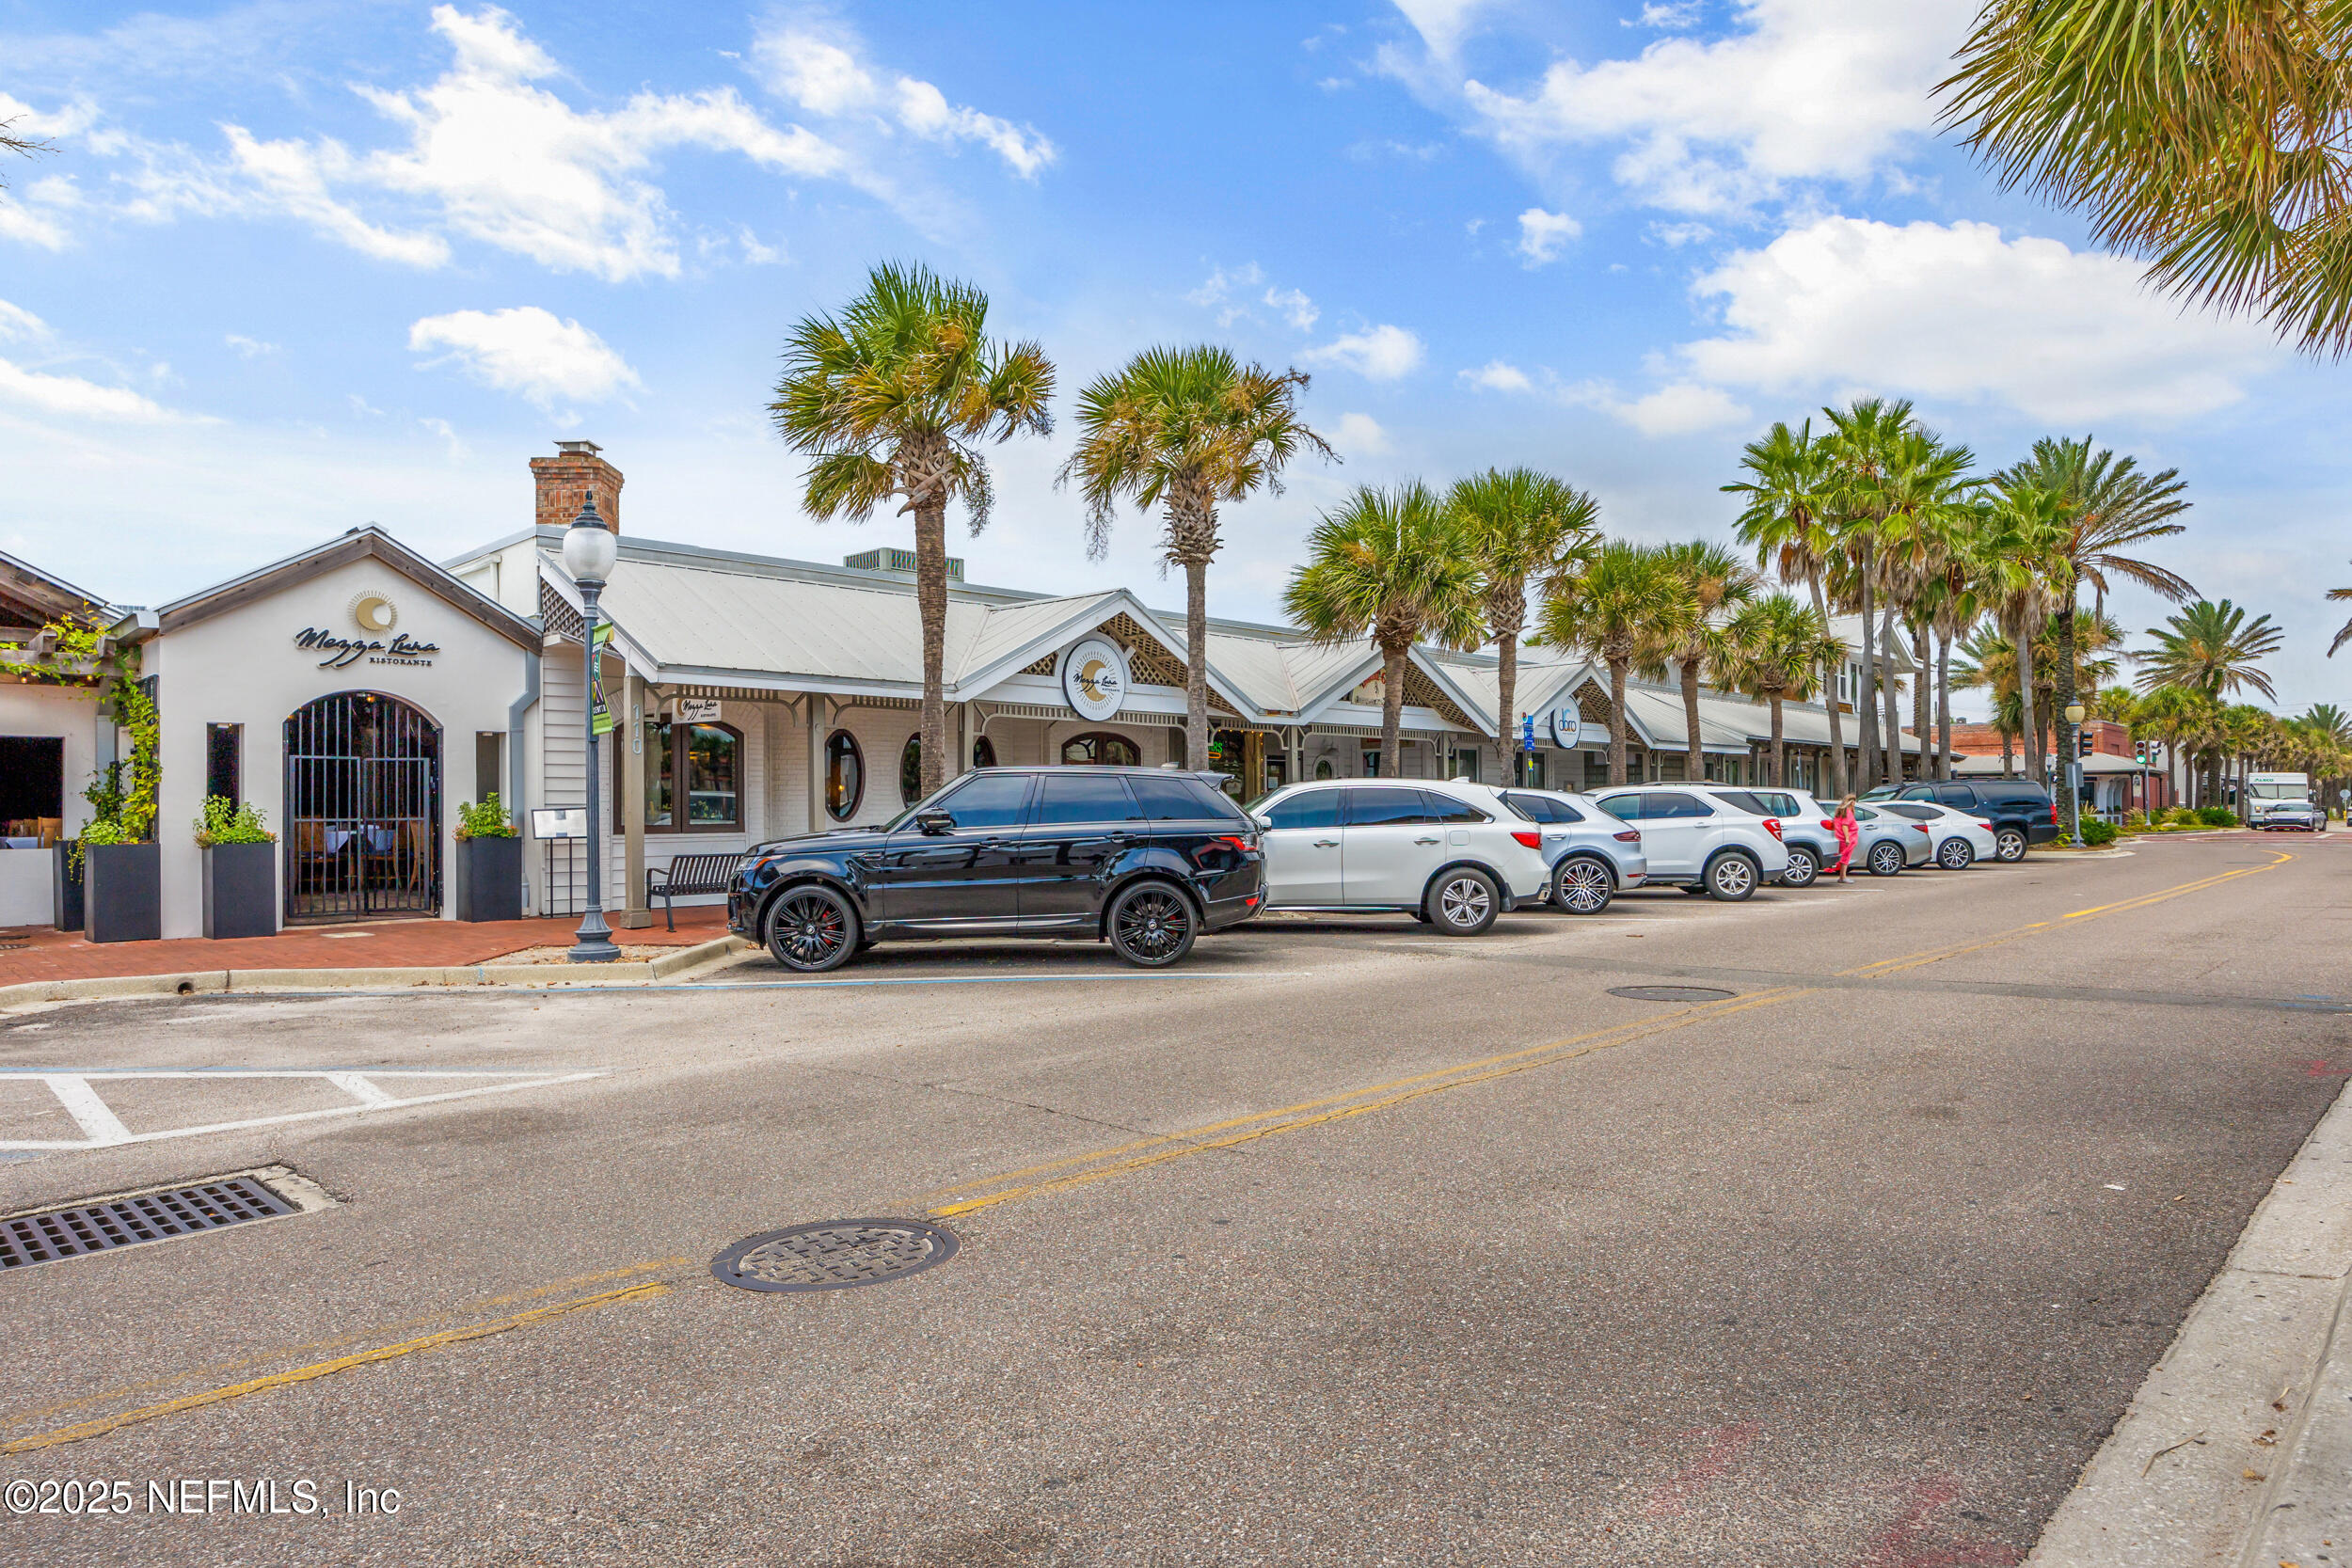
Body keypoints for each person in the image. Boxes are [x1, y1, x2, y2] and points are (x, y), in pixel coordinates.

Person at [1830, 795, 1861, 883]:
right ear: (1851, 802)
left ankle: (1842, 876)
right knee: (1845, 857)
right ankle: (1843, 877)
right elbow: (1845, 826)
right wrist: (1847, 838)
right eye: (1854, 802)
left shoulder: (1841, 812)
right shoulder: (1848, 812)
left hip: (1841, 837)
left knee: (1844, 857)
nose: (1855, 804)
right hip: (1847, 838)